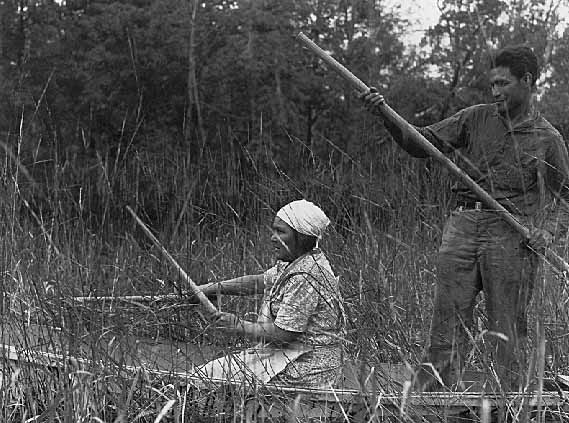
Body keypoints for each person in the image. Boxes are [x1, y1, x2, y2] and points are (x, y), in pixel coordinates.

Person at [361, 45, 569, 391]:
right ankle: (433, 399)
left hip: (511, 235)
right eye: (492, 85)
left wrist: (547, 232)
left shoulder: (547, 138)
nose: (495, 91)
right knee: (448, 320)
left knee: (507, 324)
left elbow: (566, 196)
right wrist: (386, 116)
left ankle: (508, 402)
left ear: (527, 81)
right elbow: (420, 143)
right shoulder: (474, 118)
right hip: (462, 227)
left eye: (503, 83)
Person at [194, 199, 345, 388]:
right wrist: (212, 288)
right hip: (288, 356)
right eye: (274, 230)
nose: (273, 237)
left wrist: (237, 325)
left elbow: (283, 334)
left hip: (306, 368)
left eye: (280, 232)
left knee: (206, 379)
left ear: (303, 236)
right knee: (209, 373)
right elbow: (259, 282)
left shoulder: (307, 275)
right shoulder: (296, 261)